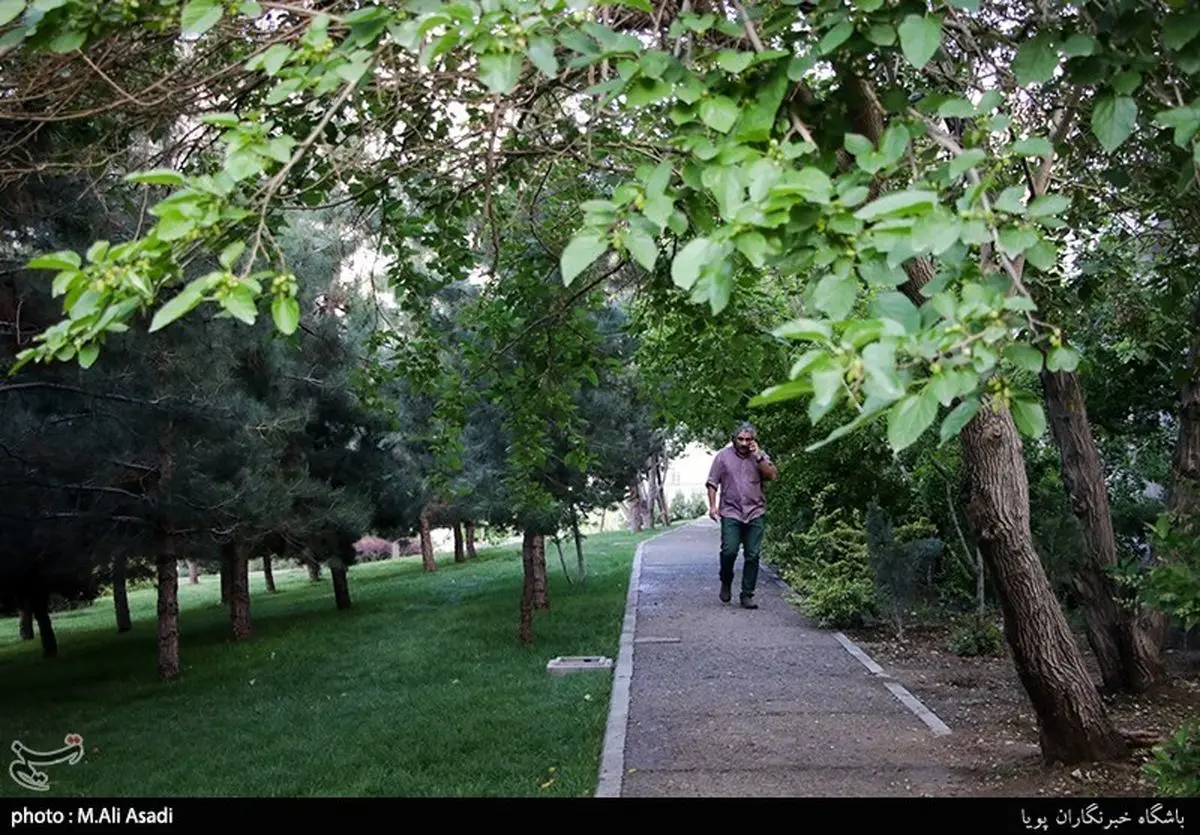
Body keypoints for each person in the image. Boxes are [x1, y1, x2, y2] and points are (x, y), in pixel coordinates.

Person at [706, 421, 779, 609]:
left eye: (748, 439)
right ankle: (726, 580)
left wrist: (759, 456)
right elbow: (712, 482)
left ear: (753, 440)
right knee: (729, 550)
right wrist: (713, 507)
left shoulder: (759, 456)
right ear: (734, 439)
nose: (744, 443)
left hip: (755, 511)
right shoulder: (722, 457)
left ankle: (747, 594)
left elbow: (772, 475)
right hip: (731, 511)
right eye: (741, 439)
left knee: (753, 555)